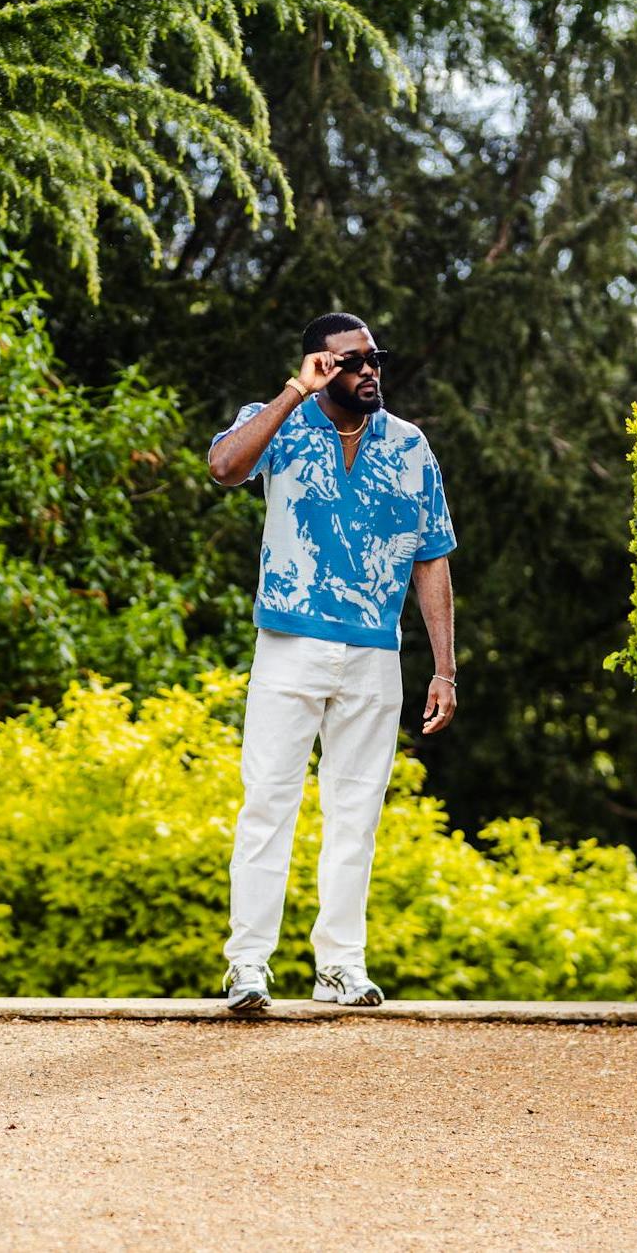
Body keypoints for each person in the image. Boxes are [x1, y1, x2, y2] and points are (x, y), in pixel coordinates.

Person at [208, 312, 457, 1011]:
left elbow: (431, 558)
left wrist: (444, 669)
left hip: (374, 653)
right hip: (289, 643)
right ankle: (248, 967)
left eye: (375, 359)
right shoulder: (276, 421)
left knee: (356, 815)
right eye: (352, 361)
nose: (369, 371)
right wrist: (295, 392)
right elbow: (225, 468)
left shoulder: (410, 446)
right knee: (267, 805)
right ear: (320, 364)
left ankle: (339, 968)